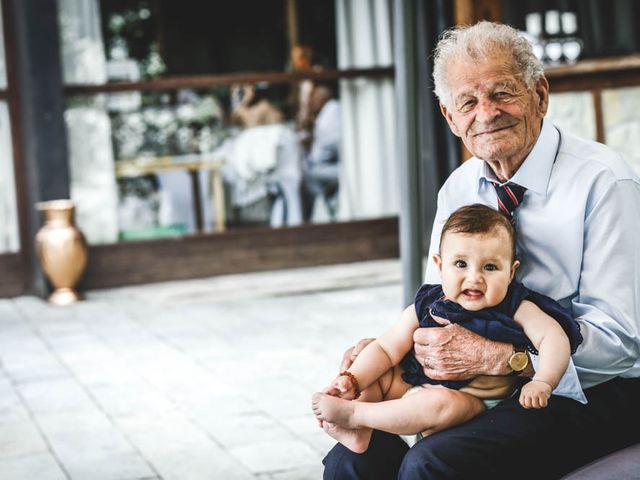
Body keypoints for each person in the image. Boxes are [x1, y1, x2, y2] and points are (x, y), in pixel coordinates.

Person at [322, 21, 640, 479]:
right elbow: (439, 300)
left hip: (591, 389)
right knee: (354, 458)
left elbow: (621, 342)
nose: (487, 114)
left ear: (541, 95)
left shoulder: (604, 181)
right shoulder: (460, 186)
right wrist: (387, 352)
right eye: (468, 102)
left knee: (433, 462)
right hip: (479, 385)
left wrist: (506, 358)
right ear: (450, 118)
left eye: (503, 93)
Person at [312, 204, 584, 454]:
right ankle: (359, 433)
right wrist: (352, 378)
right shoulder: (429, 302)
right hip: (412, 384)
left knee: (440, 402)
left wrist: (543, 380)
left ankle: (355, 415)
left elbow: (553, 337)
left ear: (511, 273)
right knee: (376, 369)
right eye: (461, 264)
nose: (474, 277)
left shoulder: (515, 306)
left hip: (470, 402)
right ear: (440, 266)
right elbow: (386, 347)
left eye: (490, 267)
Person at [301, 80, 341, 221]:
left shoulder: (330, 114)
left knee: (306, 174)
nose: (311, 102)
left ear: (320, 99)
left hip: (338, 168)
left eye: (313, 98)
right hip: (334, 165)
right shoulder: (328, 112)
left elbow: (320, 155)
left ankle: (324, 214)